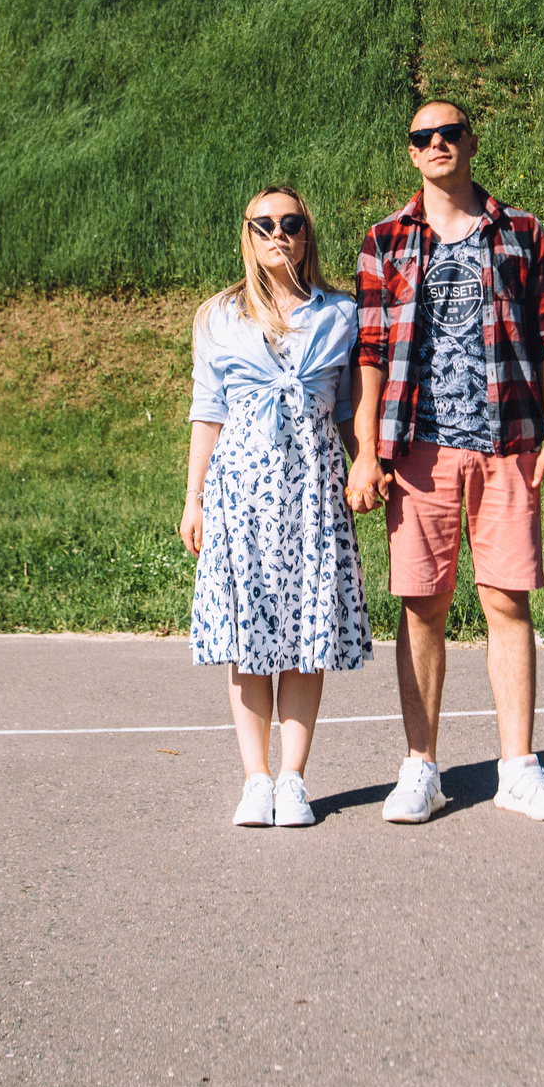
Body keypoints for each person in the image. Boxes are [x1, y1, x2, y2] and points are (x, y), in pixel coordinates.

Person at [345, 100, 544, 823]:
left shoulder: (520, 231)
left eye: (450, 132)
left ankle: (519, 766)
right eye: (423, 136)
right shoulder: (385, 239)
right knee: (423, 608)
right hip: (418, 449)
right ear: (412, 153)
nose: (438, 142)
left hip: (507, 442)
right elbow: (371, 355)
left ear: (471, 143)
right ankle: (421, 767)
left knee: (508, 601)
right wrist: (365, 452)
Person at [181, 185, 373, 828]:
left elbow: (348, 412)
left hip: (312, 494)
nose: (277, 234)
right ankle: (254, 781)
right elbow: (207, 414)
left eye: (290, 224)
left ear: (305, 233)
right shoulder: (217, 317)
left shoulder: (340, 315)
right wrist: (194, 500)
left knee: (304, 637)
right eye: (263, 224)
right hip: (240, 495)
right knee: (246, 637)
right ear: (246, 233)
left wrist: (366, 466)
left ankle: (293, 779)